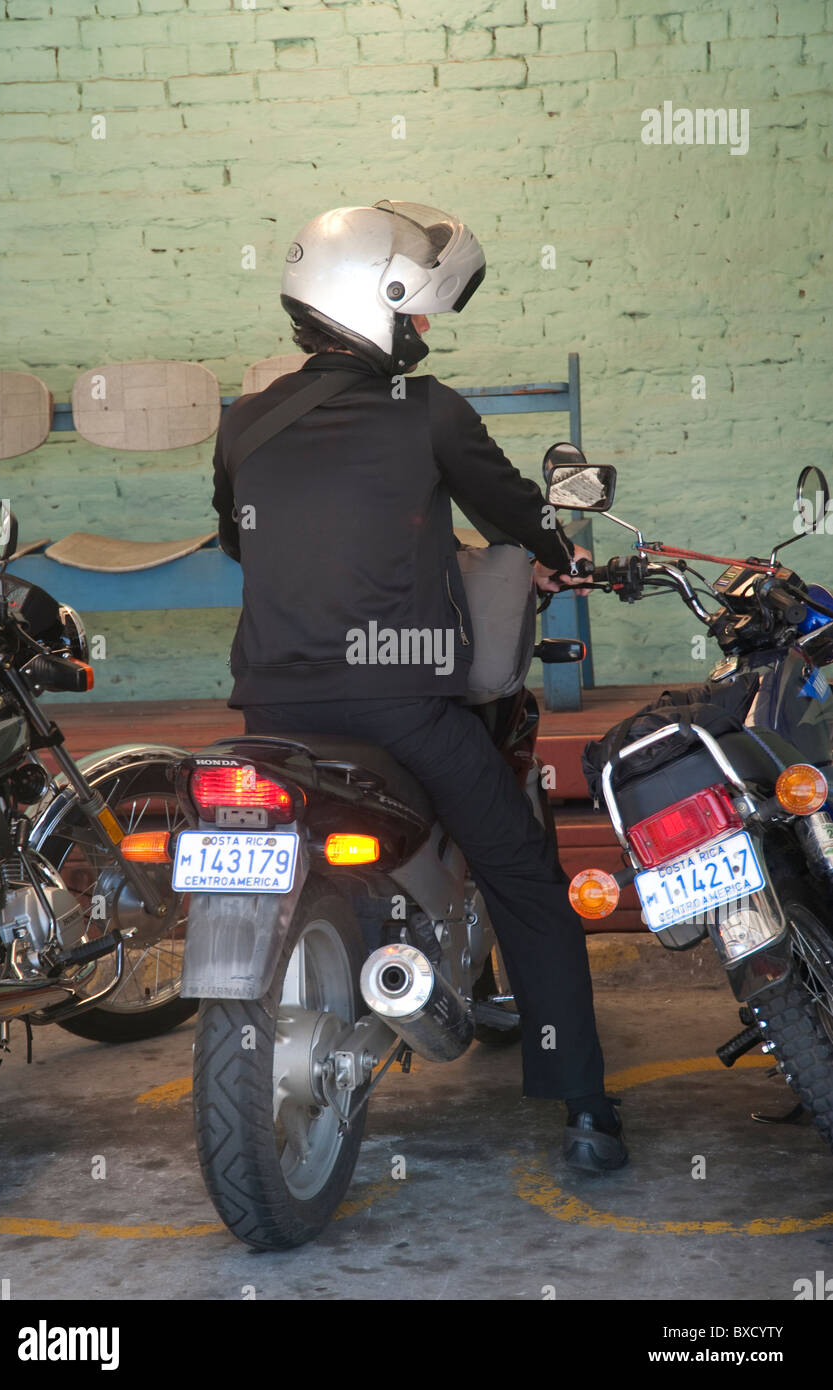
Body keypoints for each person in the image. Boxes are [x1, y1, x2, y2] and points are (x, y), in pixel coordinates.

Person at [211, 200, 627, 1171]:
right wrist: (553, 552)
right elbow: (514, 512)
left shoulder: (241, 424)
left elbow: (242, 539)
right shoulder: (431, 412)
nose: (425, 331)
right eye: (419, 312)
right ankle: (585, 1108)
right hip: (399, 708)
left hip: (268, 713)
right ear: (376, 302)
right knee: (526, 878)